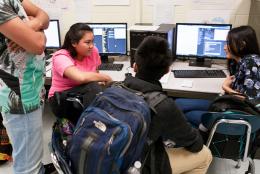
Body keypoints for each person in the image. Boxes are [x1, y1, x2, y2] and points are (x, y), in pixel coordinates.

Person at [123, 36, 212, 174]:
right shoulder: (163, 105)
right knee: (205, 155)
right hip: (138, 164)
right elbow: (195, 145)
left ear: (135, 66)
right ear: (167, 70)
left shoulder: (114, 88)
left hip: (112, 154)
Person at [0, 0, 52, 173]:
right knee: (28, 167)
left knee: (32, 158)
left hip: (32, 90)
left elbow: (44, 17)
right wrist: (39, 32)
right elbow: (38, 44)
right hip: (20, 97)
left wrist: (33, 25)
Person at [175, 25, 260, 127]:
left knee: (188, 115)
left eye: (228, 43)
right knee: (178, 103)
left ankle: (207, 138)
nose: (224, 47)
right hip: (227, 104)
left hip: (237, 115)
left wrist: (226, 87)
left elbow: (249, 102)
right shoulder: (238, 61)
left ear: (242, 45)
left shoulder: (251, 62)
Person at [48, 23, 112, 122]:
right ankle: (91, 125)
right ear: (74, 43)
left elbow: (95, 73)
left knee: (106, 93)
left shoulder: (93, 51)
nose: (91, 46)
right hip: (61, 99)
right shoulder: (61, 57)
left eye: (92, 41)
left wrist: (99, 81)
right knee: (93, 89)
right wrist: (105, 77)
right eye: (87, 42)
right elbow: (80, 77)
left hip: (82, 93)